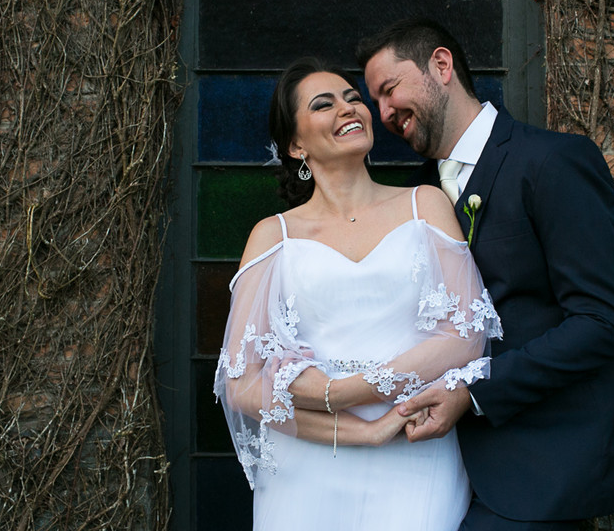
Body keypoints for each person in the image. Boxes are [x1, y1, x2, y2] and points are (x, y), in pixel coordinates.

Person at [356, 18, 614, 530]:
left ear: (440, 66)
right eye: (375, 101)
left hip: (537, 467)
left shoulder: (552, 161)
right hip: (429, 473)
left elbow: (604, 323)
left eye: (389, 89)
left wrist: (475, 390)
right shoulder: (414, 197)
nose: (383, 113)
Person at [215, 58, 503, 531]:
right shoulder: (273, 237)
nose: (349, 109)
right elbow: (242, 384)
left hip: (414, 448)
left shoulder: (425, 204)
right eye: (324, 105)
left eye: (353, 99)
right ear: (295, 144)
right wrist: (362, 430)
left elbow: (466, 336)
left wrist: (346, 391)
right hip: (308, 466)